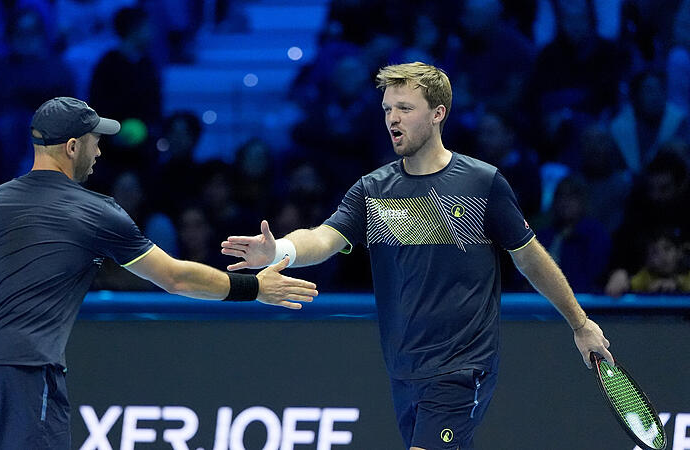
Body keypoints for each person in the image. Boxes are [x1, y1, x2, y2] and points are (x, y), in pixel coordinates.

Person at [221, 62, 613, 450]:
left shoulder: (483, 183)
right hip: (404, 371)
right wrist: (281, 249)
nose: (393, 118)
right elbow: (324, 238)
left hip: (462, 367)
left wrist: (580, 324)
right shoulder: (371, 190)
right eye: (388, 109)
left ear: (438, 114)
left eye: (405, 108)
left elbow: (530, 259)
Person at [0, 97, 318, 450]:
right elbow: (174, 277)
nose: (100, 152)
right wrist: (255, 287)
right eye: (95, 141)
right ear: (72, 147)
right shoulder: (94, 210)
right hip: (26, 367)